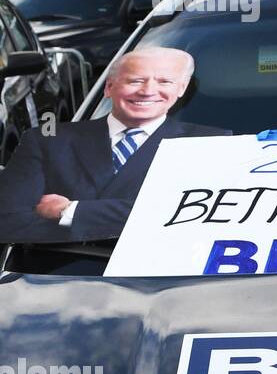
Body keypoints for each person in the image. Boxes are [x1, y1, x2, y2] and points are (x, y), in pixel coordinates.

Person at [0, 46, 229, 244]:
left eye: (164, 81)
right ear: (109, 87)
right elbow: (8, 222)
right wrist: (140, 216)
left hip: (159, 281)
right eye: (135, 80)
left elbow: (198, 219)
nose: (148, 91)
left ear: (181, 89)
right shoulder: (45, 141)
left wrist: (70, 211)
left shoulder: (211, 144)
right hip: (52, 276)